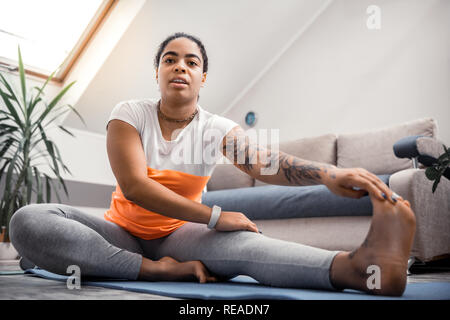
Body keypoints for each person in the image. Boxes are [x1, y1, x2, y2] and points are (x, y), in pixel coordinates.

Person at [10, 32, 416, 296]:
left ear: (203, 78)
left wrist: (330, 174)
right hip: (120, 231)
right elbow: (134, 187)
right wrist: (215, 215)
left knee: (246, 247)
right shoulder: (129, 113)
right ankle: (157, 271)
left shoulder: (216, 127)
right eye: (170, 60)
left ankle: (356, 268)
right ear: (157, 73)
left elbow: (262, 161)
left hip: (178, 236)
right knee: (28, 220)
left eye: (191, 62)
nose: (180, 67)